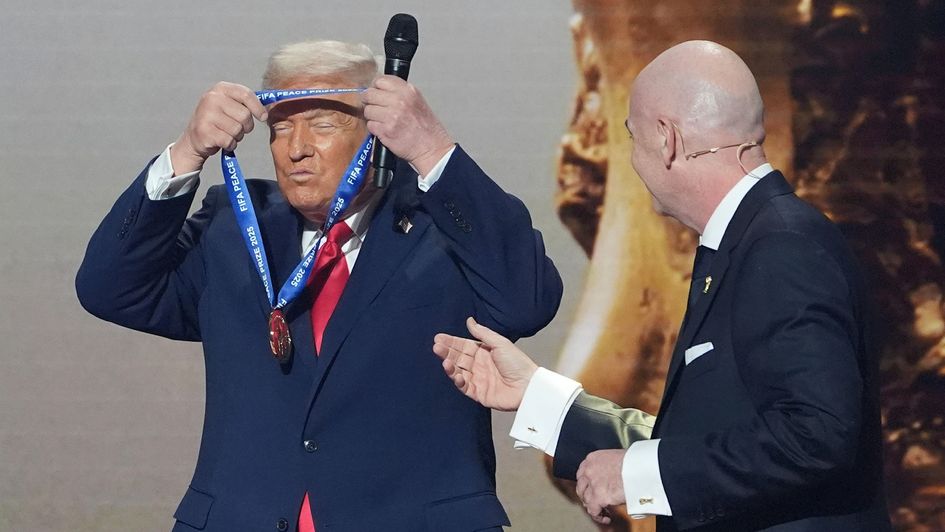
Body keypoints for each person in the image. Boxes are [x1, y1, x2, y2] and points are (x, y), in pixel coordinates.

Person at [76, 39, 562, 531]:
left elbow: (526, 303)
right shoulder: (232, 226)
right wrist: (185, 154)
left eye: (323, 124)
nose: (296, 148)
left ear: (376, 131)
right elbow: (110, 288)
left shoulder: (445, 225)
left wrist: (431, 148)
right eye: (282, 127)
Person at [433, 40, 890, 531]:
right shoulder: (747, 242)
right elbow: (714, 438)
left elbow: (816, 434)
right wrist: (536, 397)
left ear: (666, 138)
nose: (629, 159)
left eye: (631, 136)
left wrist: (641, 473)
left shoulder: (782, 247)